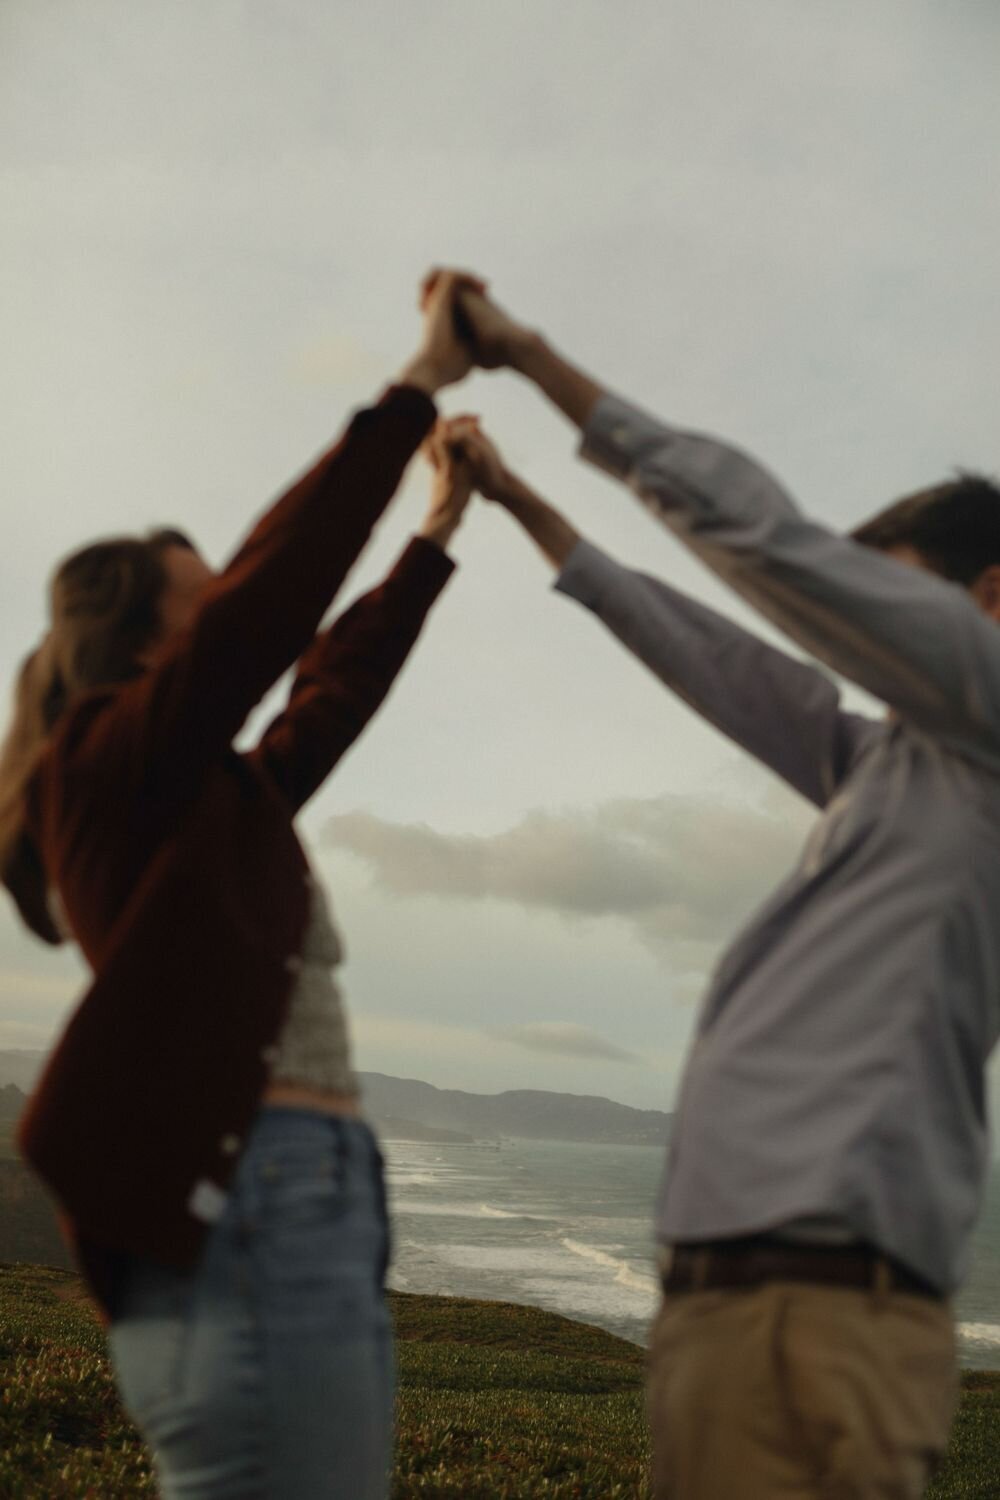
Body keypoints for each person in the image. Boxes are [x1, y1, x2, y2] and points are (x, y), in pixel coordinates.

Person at [427, 271, 1000, 1500]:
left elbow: (762, 546)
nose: (847, 631)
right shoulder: (891, 764)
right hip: (748, 1296)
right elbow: (715, 658)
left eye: (882, 596)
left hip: (818, 1302)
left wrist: (530, 357)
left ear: (986, 601)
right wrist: (524, 504)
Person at [0, 272, 479, 1500]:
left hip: (301, 1204)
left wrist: (436, 530)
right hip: (258, 1207)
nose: (227, 590)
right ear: (147, 633)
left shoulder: (209, 806)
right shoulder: (98, 768)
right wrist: (415, 380)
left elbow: (326, 693)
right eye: (201, 584)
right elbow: (278, 599)